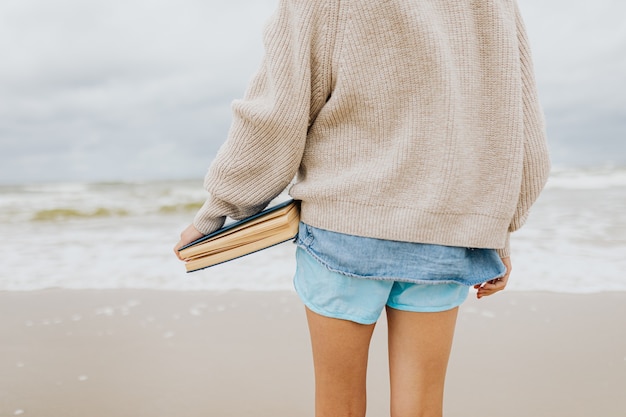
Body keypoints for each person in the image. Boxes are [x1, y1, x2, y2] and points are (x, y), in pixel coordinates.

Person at [174, 0, 550, 416]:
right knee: (421, 408)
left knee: (339, 406)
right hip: (446, 233)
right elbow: (520, 123)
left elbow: (276, 112)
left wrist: (217, 211)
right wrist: (500, 230)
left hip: (345, 228)